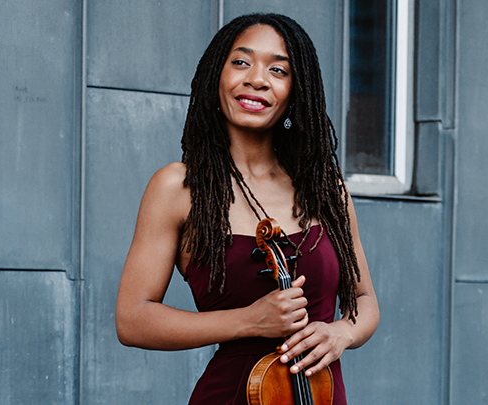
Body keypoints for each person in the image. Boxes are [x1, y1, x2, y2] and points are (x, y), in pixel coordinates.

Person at [115, 13, 379, 404]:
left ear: (295, 91)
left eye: (278, 70)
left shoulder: (325, 190)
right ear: (216, 76)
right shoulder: (179, 187)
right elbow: (132, 319)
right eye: (241, 62)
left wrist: (342, 332)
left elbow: (365, 300)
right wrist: (247, 321)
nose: (257, 79)